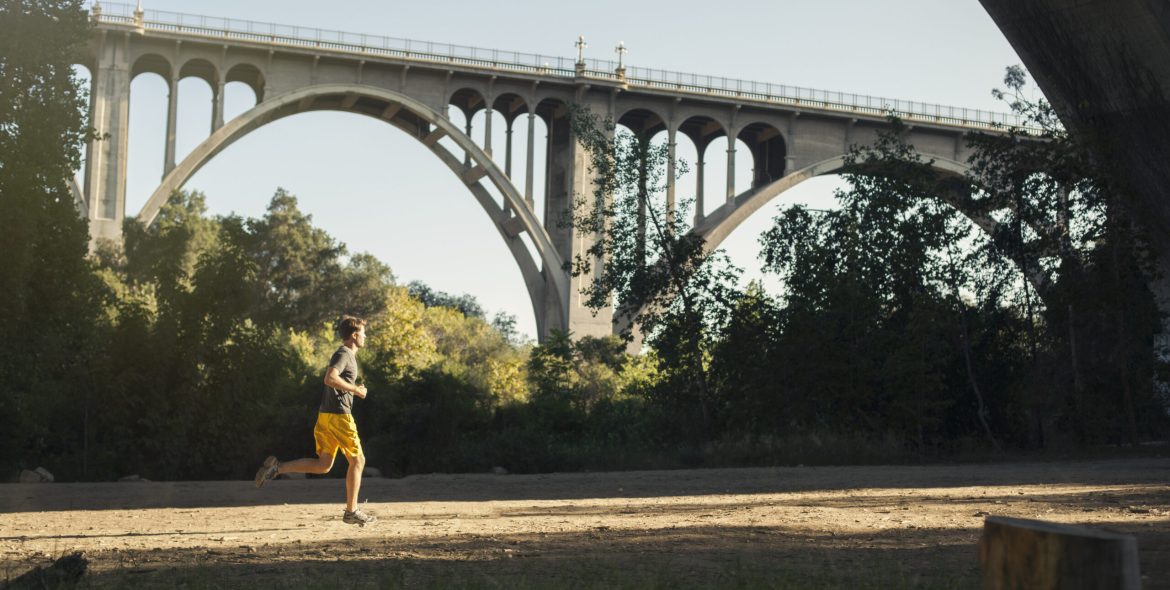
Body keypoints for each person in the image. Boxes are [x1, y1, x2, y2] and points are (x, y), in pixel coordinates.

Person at [254, 315, 376, 526]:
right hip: (339, 417)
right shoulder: (345, 353)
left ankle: (278, 468)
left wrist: (353, 389)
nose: (365, 336)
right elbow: (329, 378)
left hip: (326, 416)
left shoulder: (346, 355)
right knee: (358, 461)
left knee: (323, 465)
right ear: (355, 335)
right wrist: (356, 390)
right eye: (363, 333)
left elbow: (333, 380)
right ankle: (351, 511)